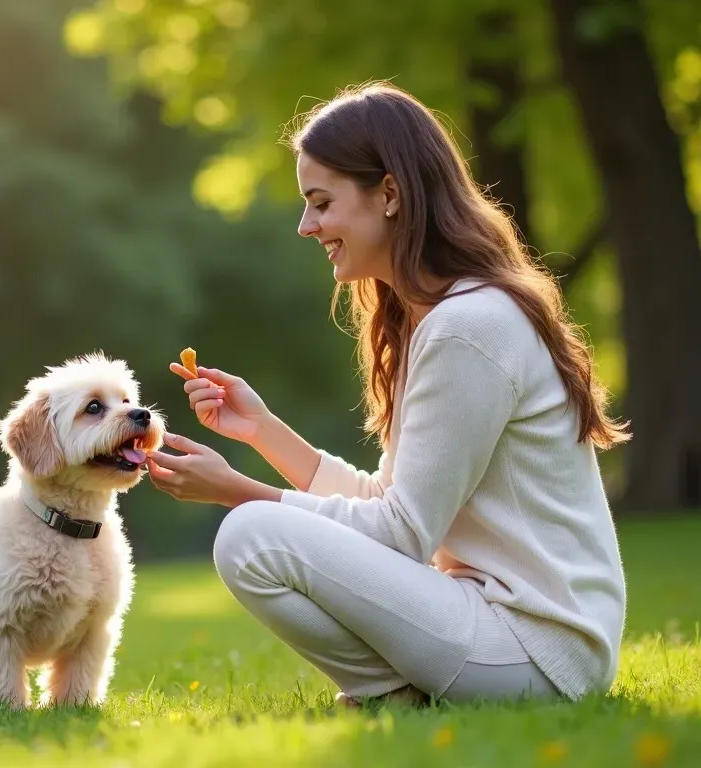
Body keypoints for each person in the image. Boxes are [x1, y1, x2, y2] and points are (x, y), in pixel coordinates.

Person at [146, 81, 629, 706]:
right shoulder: (436, 317)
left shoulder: (469, 326)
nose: (305, 225)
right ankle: (400, 698)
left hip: (540, 650)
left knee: (250, 534)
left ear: (391, 194)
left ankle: (391, 693)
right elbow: (388, 505)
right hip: (504, 630)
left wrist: (237, 491)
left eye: (321, 202)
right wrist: (261, 430)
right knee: (254, 530)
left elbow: (401, 535)